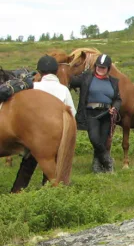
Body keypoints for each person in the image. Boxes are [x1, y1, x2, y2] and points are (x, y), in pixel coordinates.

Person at [12, 55, 77, 190]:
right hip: (57, 132)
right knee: (52, 163)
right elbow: (72, 114)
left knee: (28, 163)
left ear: (39, 72)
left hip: (33, 132)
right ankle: (48, 191)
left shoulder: (34, 86)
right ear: (56, 71)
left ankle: (17, 191)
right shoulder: (63, 89)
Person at [70, 54, 121, 173]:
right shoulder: (87, 77)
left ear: (108, 68)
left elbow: (118, 99)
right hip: (91, 113)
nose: (100, 69)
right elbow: (72, 80)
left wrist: (115, 108)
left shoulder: (113, 82)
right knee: (94, 138)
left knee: (102, 141)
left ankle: (97, 167)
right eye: (98, 66)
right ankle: (107, 161)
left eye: (103, 67)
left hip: (106, 114)